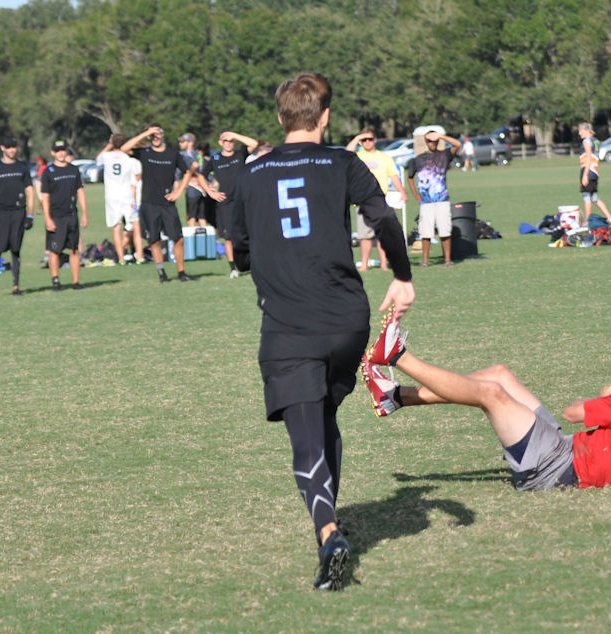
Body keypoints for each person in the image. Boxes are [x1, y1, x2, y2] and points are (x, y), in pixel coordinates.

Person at [228, 71, 414, 591]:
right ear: (325, 117)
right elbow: (384, 219)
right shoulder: (343, 162)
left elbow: (239, 251)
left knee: (306, 430)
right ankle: (329, 516)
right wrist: (402, 277)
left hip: (290, 325)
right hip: (346, 320)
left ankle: (328, 532)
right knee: (326, 411)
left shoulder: (251, 174)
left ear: (280, 116)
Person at [361, 330, 611, 492]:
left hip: (556, 470)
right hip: (567, 450)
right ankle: (395, 397)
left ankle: (398, 357)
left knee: (491, 394)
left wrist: (607, 399)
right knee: (498, 375)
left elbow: (572, 413)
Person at [119, 123, 202, 282]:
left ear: (163, 135)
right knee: (154, 240)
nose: (155, 137)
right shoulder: (144, 152)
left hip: (168, 204)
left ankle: (181, 273)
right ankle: (162, 274)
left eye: (157, 133)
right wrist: (145, 133)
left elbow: (187, 173)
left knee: (178, 239)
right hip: (149, 203)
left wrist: (178, 192)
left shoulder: (173, 154)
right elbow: (124, 148)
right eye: (152, 135)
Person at [0, 133, 35, 297]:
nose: (12, 150)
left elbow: (30, 191)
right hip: (0, 213)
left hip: (18, 212)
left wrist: (30, 215)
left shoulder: (22, 167)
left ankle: (16, 287)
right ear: (2, 148)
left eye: (14, 147)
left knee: (15, 250)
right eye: (9, 147)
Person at [344, 128, 403, 271]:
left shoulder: (384, 158)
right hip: (362, 200)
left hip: (380, 200)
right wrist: (357, 138)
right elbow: (346, 153)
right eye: (364, 140)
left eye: (370, 139)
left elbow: (393, 175)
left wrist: (402, 191)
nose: (367, 142)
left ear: (375, 140)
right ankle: (364, 264)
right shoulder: (357, 156)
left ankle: (384, 263)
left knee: (382, 235)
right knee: (365, 236)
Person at [405, 127, 461, 267]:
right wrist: (416, 195)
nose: (432, 143)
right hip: (426, 202)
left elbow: (457, 144)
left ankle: (447, 260)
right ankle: (425, 261)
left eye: (434, 141)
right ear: (426, 142)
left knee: (445, 231)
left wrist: (440, 136)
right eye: (430, 141)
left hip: (442, 200)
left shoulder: (444, 155)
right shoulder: (418, 159)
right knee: (426, 233)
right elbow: (410, 177)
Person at [38, 140, 88, 291]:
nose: (60, 153)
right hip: (56, 217)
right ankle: (55, 281)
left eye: (62, 150)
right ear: (53, 152)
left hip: (72, 215)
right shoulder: (48, 171)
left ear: (66, 151)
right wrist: (47, 218)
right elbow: (45, 197)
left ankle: (76, 282)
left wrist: (85, 213)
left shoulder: (73, 170)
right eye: (57, 150)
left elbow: (80, 191)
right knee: (55, 251)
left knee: (74, 250)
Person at [209, 129, 259, 276]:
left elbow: (254, 144)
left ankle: (255, 263)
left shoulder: (240, 154)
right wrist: (211, 192)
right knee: (228, 236)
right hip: (225, 203)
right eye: (225, 141)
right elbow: (200, 175)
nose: (228, 143)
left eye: (231, 141)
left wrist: (234, 135)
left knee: (250, 232)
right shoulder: (215, 159)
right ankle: (233, 268)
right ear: (220, 143)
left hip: (243, 200)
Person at [97, 133, 144, 264]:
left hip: (112, 197)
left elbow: (98, 158)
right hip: (127, 195)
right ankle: (140, 256)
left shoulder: (106, 156)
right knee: (136, 225)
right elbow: (136, 179)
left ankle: (121, 258)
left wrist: (109, 145)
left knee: (116, 228)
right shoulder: (129, 159)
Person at [577, 123, 611, 224]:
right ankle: (610, 218)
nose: (579, 133)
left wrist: (585, 175)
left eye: (580, 131)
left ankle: (587, 221)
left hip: (588, 170)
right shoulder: (595, 140)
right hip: (595, 171)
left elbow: (588, 158)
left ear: (587, 130)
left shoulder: (587, 141)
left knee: (586, 196)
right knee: (594, 197)